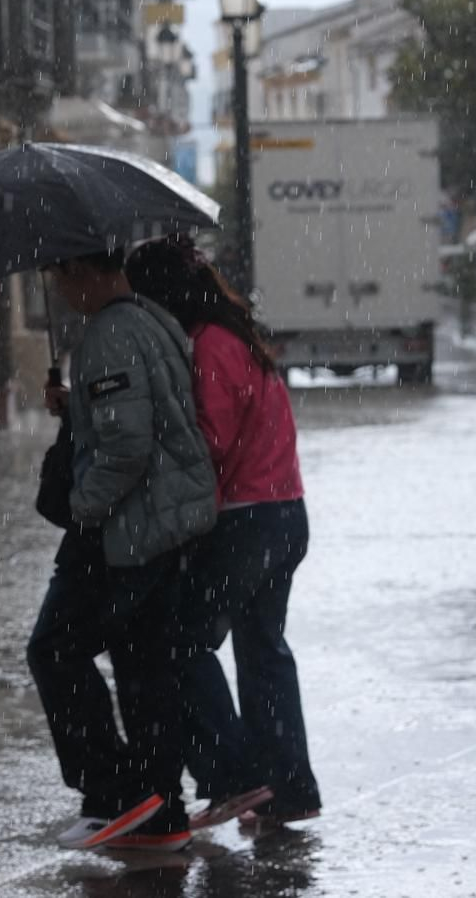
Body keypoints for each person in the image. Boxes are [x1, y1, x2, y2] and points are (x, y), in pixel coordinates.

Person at [125, 238, 322, 828]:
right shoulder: (237, 338)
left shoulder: (210, 348)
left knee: (180, 639)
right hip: (284, 511)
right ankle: (289, 788)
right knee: (264, 651)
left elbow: (209, 442)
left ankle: (237, 776)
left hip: (245, 520)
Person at [26, 249, 218, 852]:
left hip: (127, 531)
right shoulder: (150, 318)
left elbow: (128, 447)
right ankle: (162, 811)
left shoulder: (107, 336)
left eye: (60, 276)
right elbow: (136, 416)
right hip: (166, 527)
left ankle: (112, 791)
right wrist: (76, 406)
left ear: (83, 271)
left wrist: (83, 508)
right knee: (143, 669)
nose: (59, 291)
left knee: (55, 649)